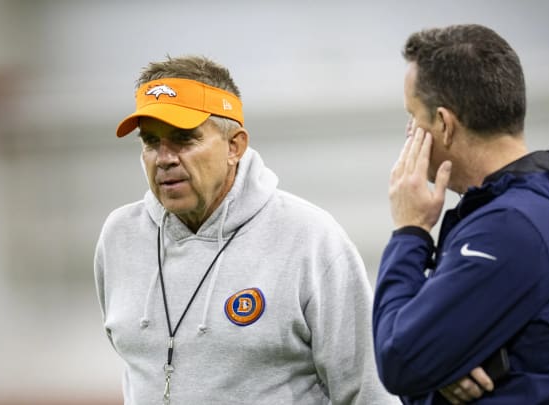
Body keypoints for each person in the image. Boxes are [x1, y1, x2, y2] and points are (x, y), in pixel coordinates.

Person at [94, 55, 398, 405]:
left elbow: (367, 392)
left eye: (184, 139)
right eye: (150, 141)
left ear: (234, 146)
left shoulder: (308, 239)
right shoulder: (119, 237)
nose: (164, 158)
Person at [372, 24, 549, 404]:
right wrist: (438, 363)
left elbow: (400, 359)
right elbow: (422, 361)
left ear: (444, 124)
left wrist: (410, 231)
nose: (410, 131)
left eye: (413, 115)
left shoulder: (510, 227)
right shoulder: (535, 209)